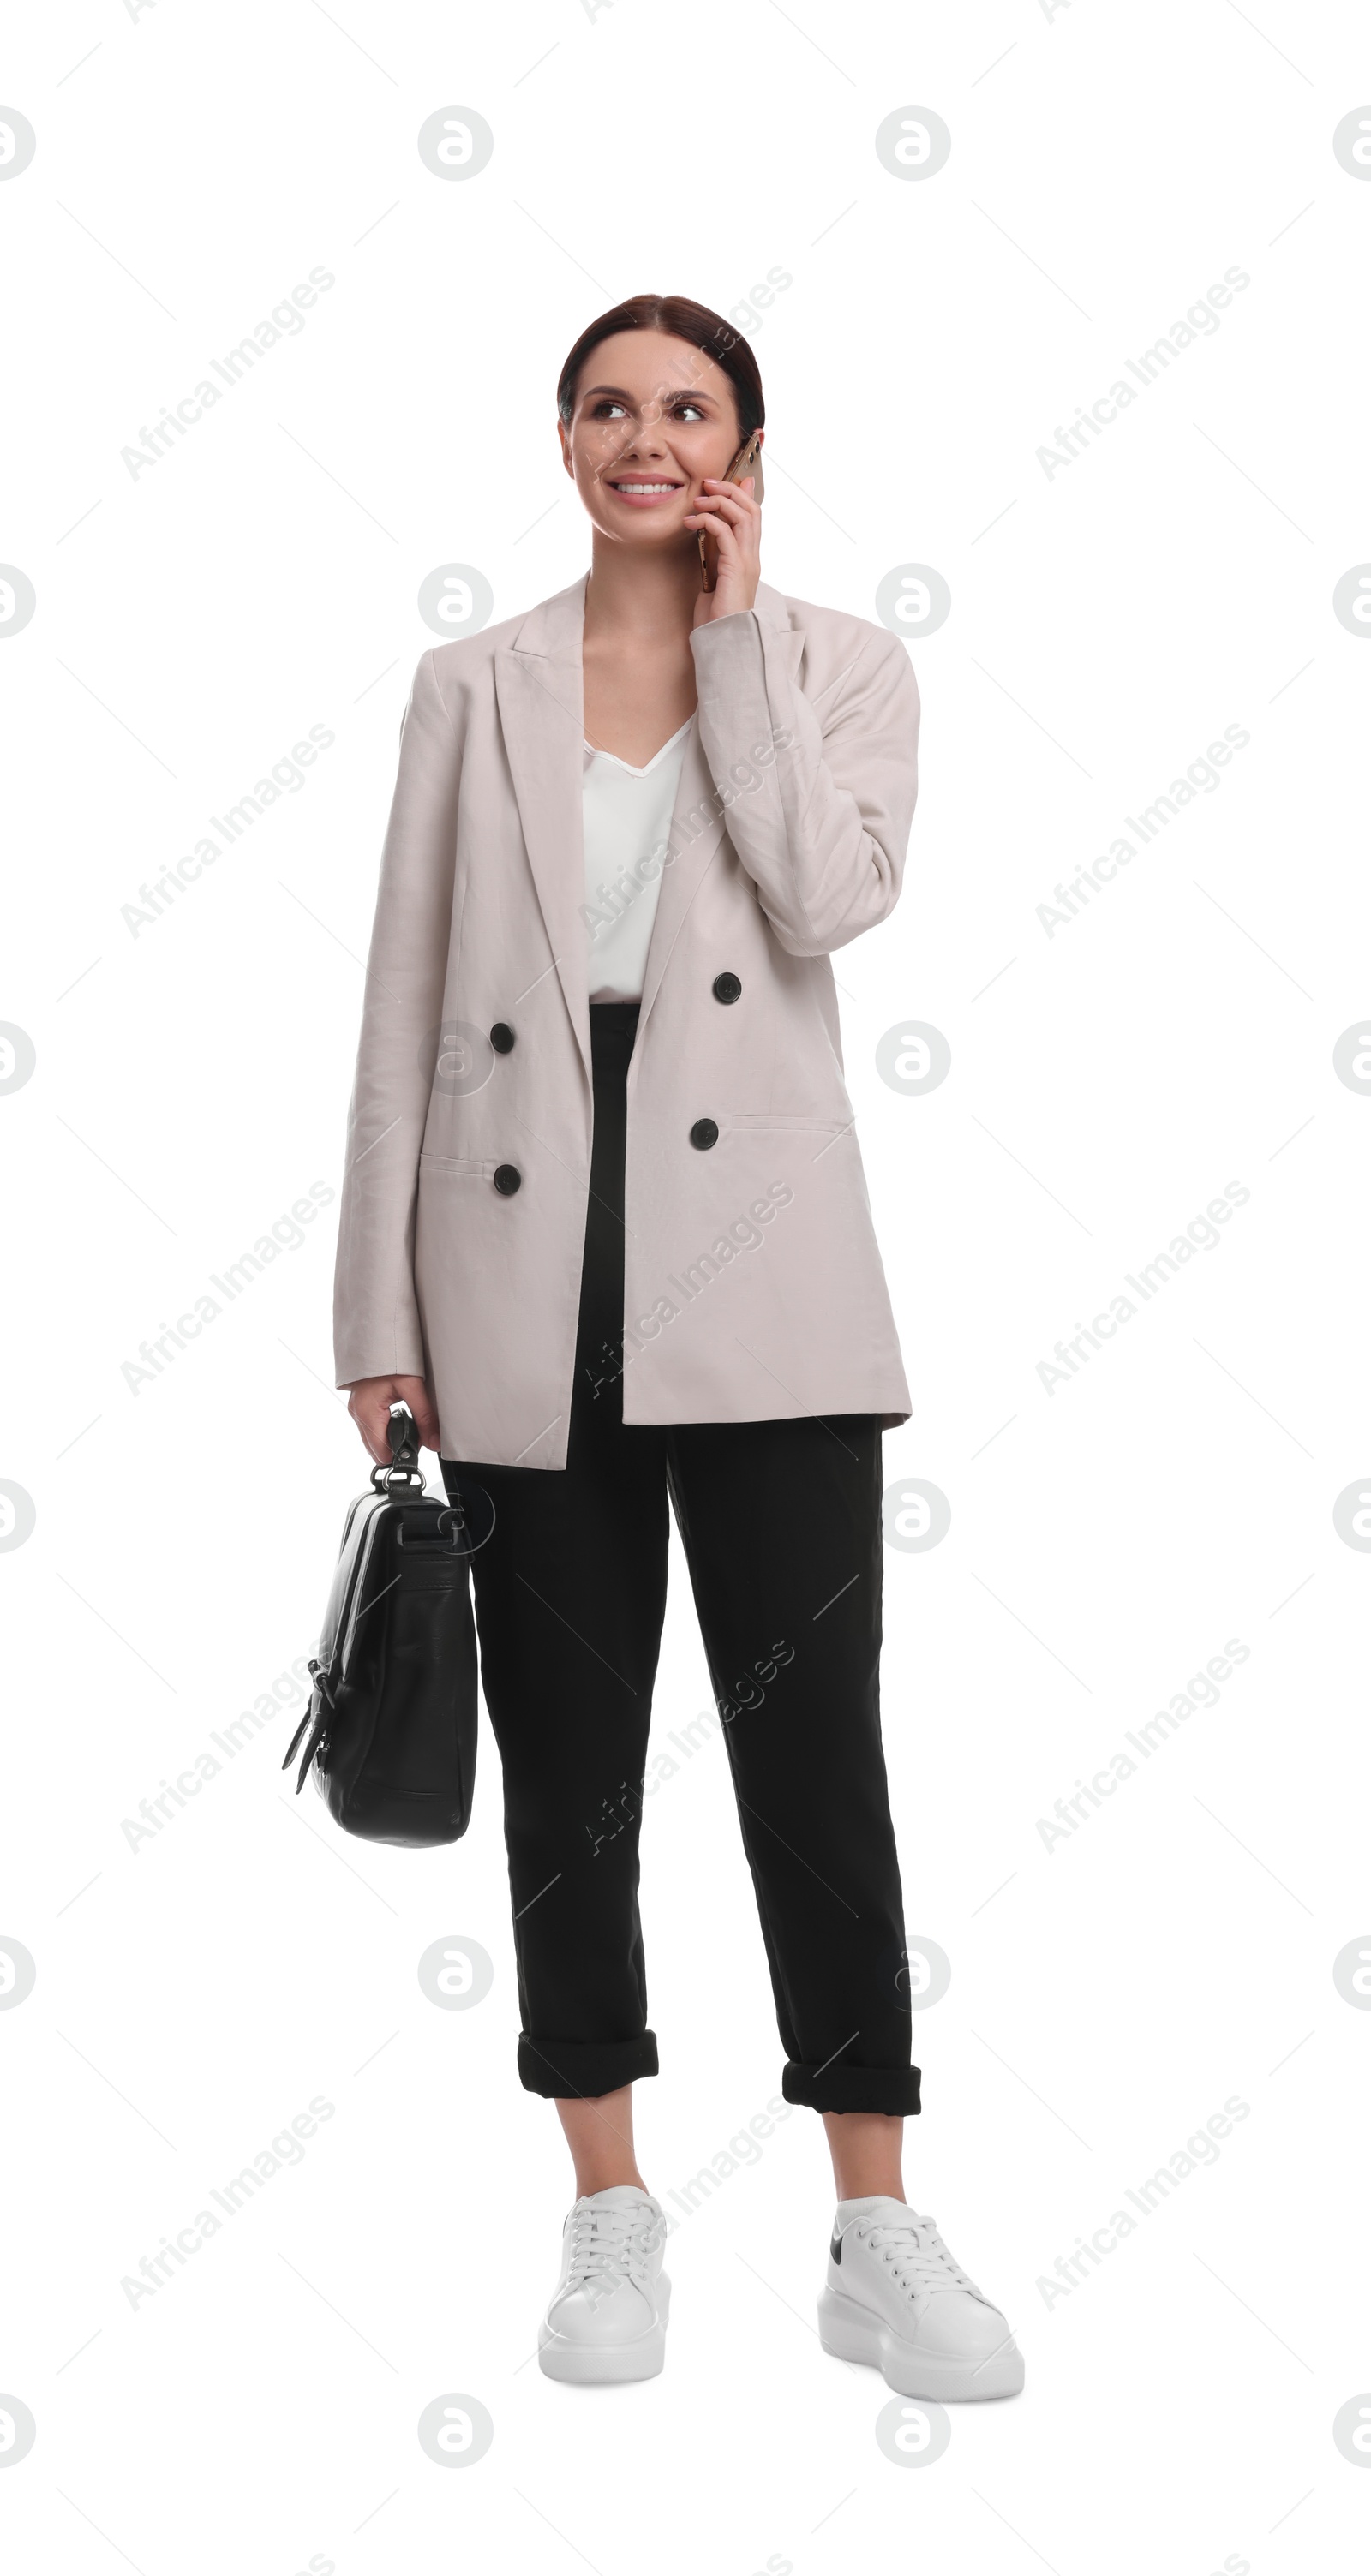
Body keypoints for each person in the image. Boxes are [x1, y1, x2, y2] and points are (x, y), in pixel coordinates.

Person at [332, 293, 1023, 2399]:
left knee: (819, 1766)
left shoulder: (837, 662)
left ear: (742, 441)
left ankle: (872, 2221)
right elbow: (398, 1005)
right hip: (518, 1274)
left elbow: (828, 899)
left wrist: (728, 644)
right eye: (611, 406)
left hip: (769, 1286)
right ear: (559, 437)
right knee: (572, 1771)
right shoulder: (469, 685)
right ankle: (607, 2206)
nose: (648, 438)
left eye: (688, 409)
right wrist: (378, 1308)